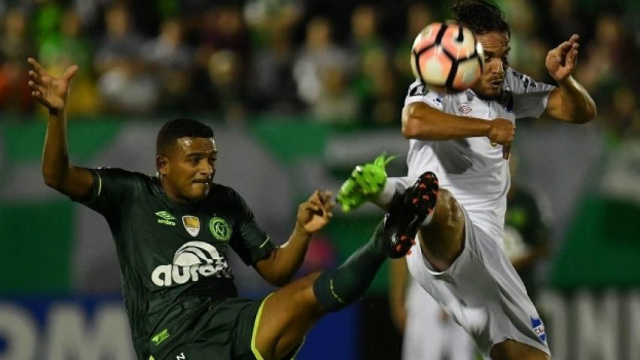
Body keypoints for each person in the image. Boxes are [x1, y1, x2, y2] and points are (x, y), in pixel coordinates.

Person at [28, 57, 431, 360]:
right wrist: (57, 113)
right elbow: (57, 176)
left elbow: (275, 271)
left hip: (231, 320)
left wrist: (302, 233)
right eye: (195, 160)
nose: (207, 169)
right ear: (163, 165)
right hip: (172, 340)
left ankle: (384, 237)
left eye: (212, 158)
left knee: (308, 293)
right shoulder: (130, 194)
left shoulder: (225, 202)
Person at [337, 1, 596, 359]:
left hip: (486, 253)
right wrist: (488, 127)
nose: (498, 67)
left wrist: (564, 80)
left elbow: (579, 112)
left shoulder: (507, 85)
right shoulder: (440, 85)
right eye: (488, 57)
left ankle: (389, 192)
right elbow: (413, 122)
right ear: (463, 54)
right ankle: (394, 195)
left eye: (503, 56)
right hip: (442, 234)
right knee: (441, 202)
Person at [390, 258, 475, 360]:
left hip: (462, 286)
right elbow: (400, 253)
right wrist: (397, 299)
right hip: (423, 292)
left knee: (460, 355)